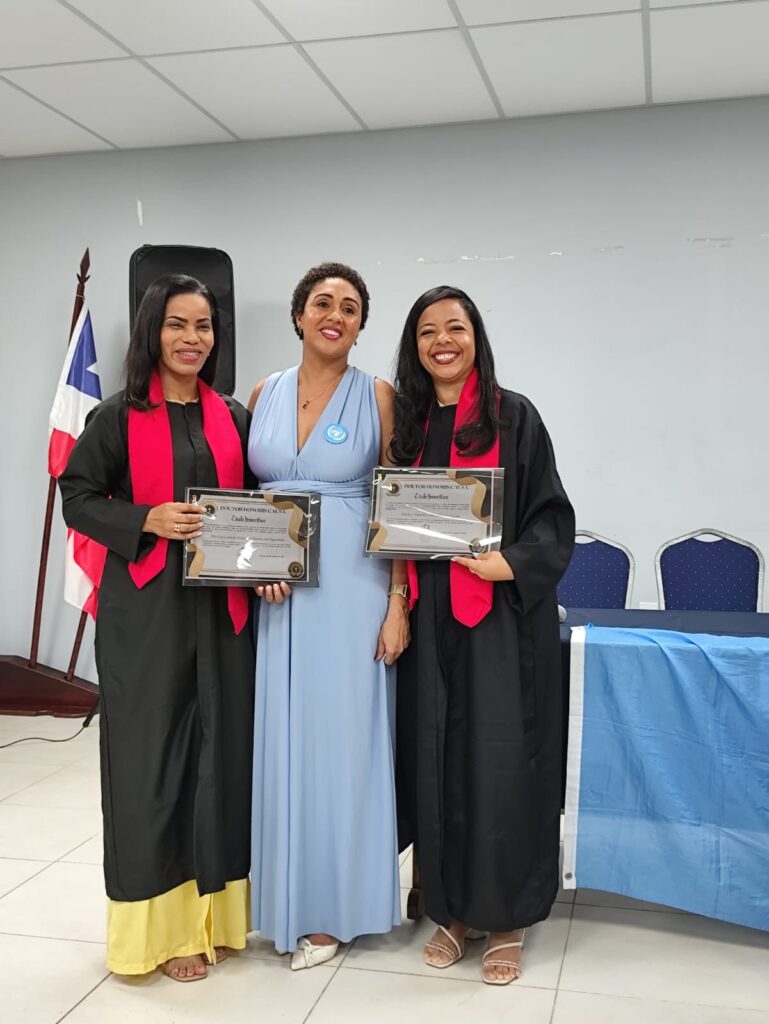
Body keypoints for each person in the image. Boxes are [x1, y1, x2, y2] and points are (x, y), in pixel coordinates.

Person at [59, 275, 254, 982]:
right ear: (152, 330)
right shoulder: (117, 416)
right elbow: (77, 497)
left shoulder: (232, 415)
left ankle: (217, 917)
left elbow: (255, 507)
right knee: (152, 764)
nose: (191, 339)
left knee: (222, 757)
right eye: (177, 324)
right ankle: (163, 934)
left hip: (224, 613)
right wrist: (146, 518)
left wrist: (271, 563)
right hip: (147, 615)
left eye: (203, 326)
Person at [391, 285, 575, 985]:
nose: (442, 341)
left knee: (500, 764)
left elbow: (551, 515)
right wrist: (400, 600)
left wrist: (512, 563)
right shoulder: (410, 428)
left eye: (455, 328)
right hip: (432, 616)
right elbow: (394, 525)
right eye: (427, 331)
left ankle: (506, 918)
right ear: (414, 346)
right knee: (438, 760)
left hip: (501, 618)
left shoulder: (513, 416)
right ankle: (453, 910)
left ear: (476, 338)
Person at [247, 262, 408, 970]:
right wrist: (254, 565)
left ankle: (339, 908)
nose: (334, 315)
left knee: (344, 748)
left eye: (349, 307)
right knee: (284, 744)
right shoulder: (262, 393)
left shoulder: (378, 395)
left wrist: (398, 602)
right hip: (278, 599)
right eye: (322, 303)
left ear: (360, 325)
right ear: (299, 315)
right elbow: (243, 502)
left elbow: (397, 504)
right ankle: (285, 900)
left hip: (353, 592)